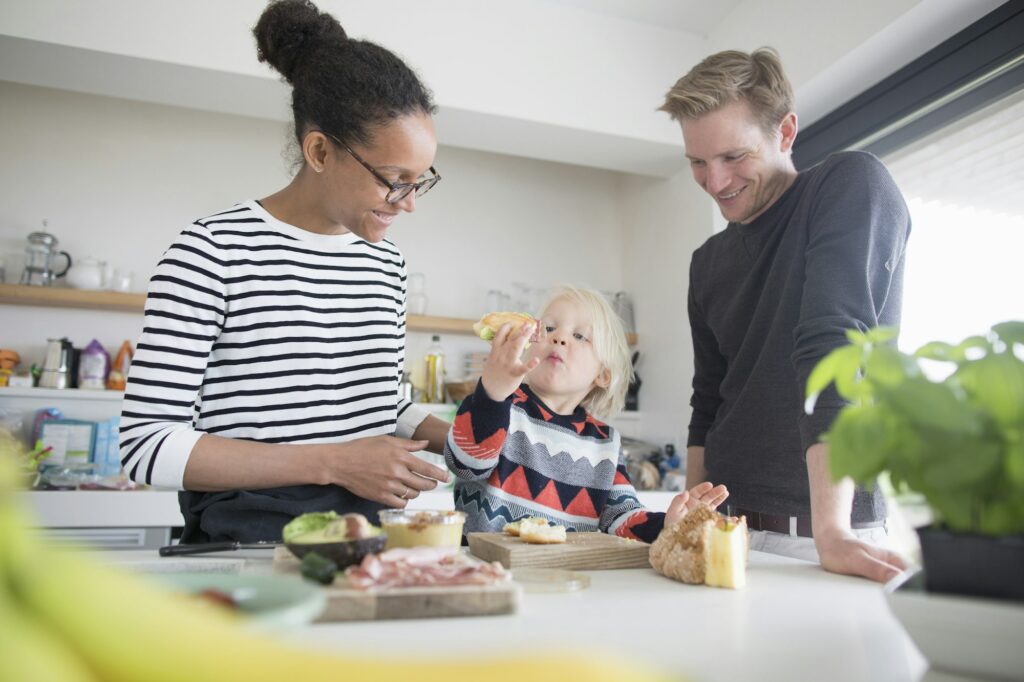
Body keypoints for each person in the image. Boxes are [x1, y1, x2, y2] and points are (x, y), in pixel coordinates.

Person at [119, 0, 453, 543]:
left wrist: (473, 439)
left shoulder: (385, 263)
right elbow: (147, 445)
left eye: (421, 180)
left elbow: (383, 405)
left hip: (368, 538)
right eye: (395, 179)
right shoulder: (212, 250)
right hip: (249, 542)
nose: (409, 202)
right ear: (320, 150)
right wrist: (333, 464)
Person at [659, 48, 911, 582]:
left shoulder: (848, 185)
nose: (715, 180)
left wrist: (833, 532)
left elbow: (832, 346)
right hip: (727, 528)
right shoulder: (706, 264)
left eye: (733, 156)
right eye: (697, 163)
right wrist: (688, 517)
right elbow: (708, 400)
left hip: (821, 535)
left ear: (786, 131)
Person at [444, 285, 728, 541]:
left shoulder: (605, 443)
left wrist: (669, 524)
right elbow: (466, 464)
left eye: (580, 336)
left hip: (566, 584)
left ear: (603, 375)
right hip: (490, 577)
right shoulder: (500, 405)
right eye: (550, 329)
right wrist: (493, 391)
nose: (560, 339)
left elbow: (621, 518)